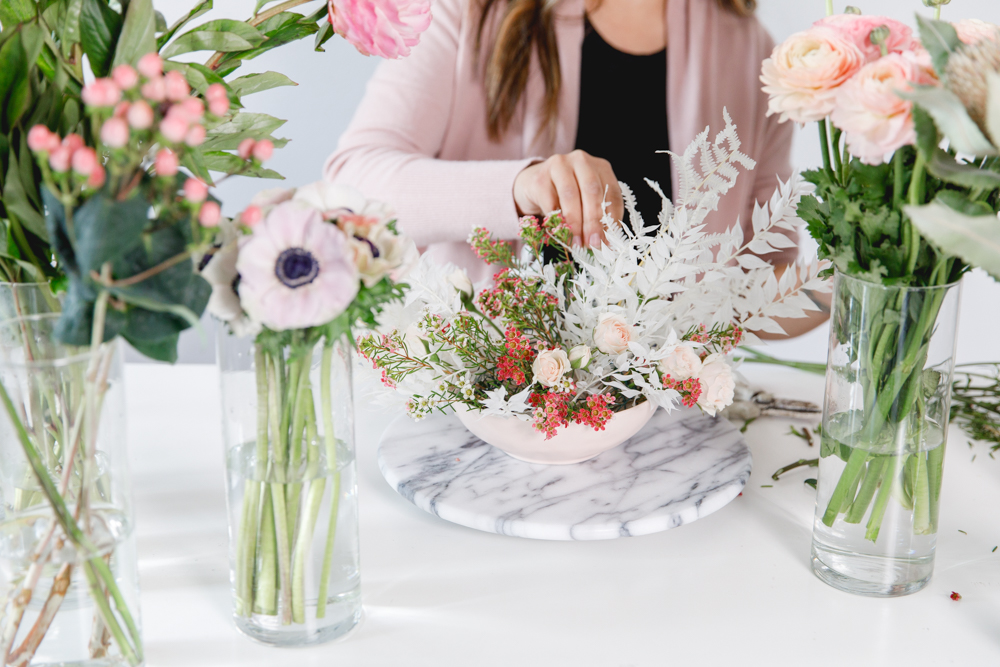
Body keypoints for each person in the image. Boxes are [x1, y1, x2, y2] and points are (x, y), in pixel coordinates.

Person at [325, 0, 829, 335]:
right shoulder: (469, 11)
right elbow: (352, 182)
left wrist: (853, 279)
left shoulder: (749, 49)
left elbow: (760, 282)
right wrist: (520, 186)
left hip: (662, 424)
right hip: (479, 402)